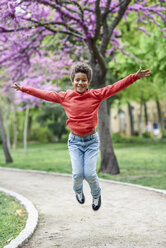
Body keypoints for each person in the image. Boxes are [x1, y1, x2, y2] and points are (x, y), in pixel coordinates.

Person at [12, 62, 151, 211]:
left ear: (88, 82)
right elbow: (45, 94)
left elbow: (115, 87)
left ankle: (96, 194)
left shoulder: (96, 95)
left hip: (91, 142)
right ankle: (78, 191)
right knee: (78, 174)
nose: (80, 83)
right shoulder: (65, 97)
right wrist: (24, 89)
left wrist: (134, 77)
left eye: (84, 80)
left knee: (90, 174)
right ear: (72, 81)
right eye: (77, 80)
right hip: (75, 142)